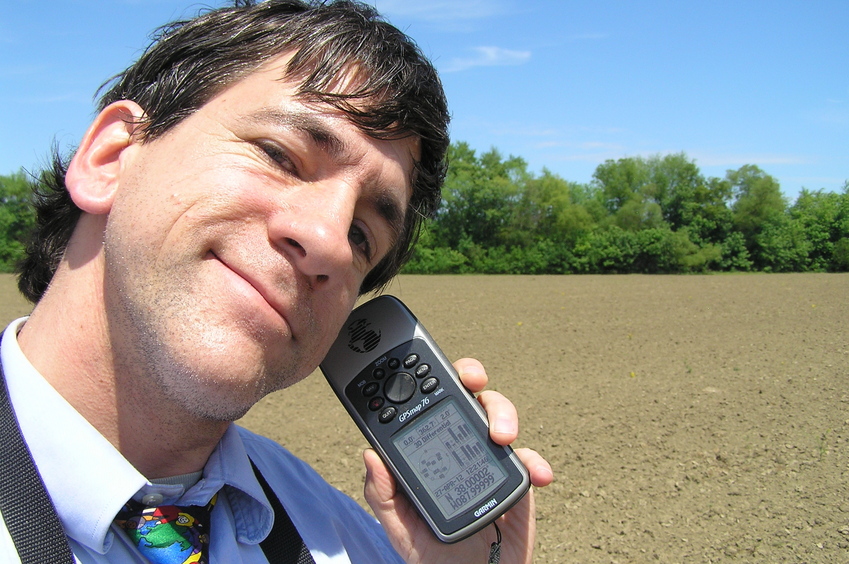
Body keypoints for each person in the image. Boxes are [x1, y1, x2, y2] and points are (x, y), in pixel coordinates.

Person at [0, 1, 553, 562]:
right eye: (279, 155)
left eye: (363, 236)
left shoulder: (354, 545)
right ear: (111, 158)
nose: (330, 241)